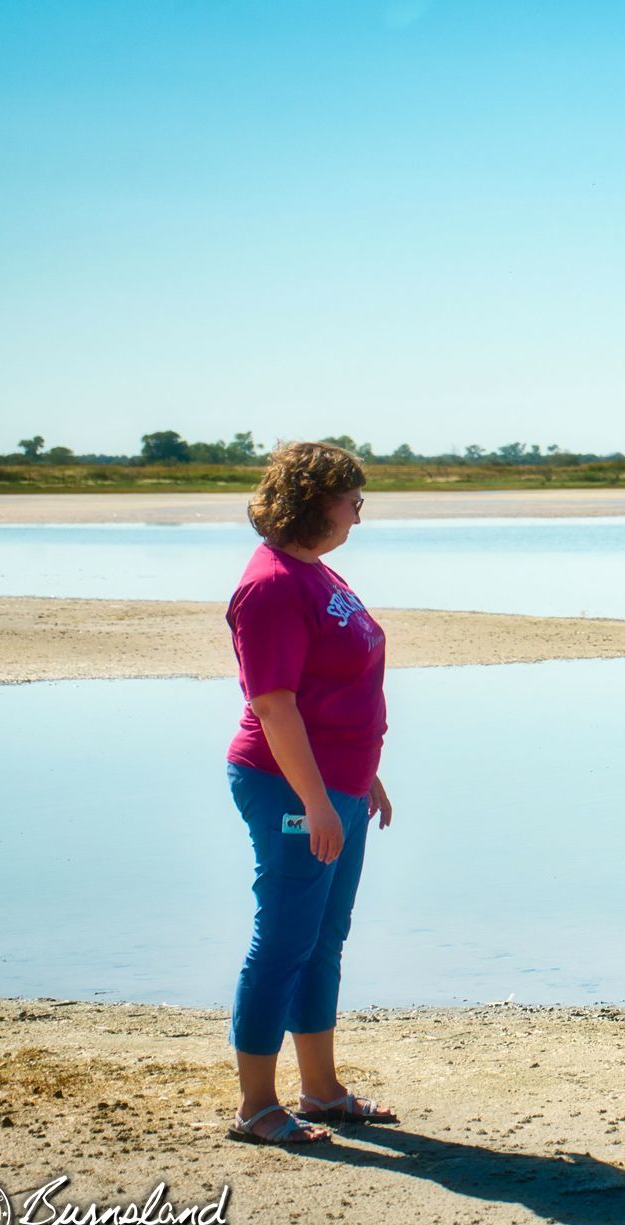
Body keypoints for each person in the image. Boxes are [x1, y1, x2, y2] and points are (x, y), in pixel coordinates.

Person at [224, 441, 398, 1145]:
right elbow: (274, 705)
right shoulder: (269, 586)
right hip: (288, 786)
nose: (358, 514)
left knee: (324, 941)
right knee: (284, 942)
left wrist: (367, 776)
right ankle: (257, 1107)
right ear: (313, 501)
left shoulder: (316, 574)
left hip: (339, 784)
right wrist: (319, 802)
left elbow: (340, 687)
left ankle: (322, 1092)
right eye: (351, 500)